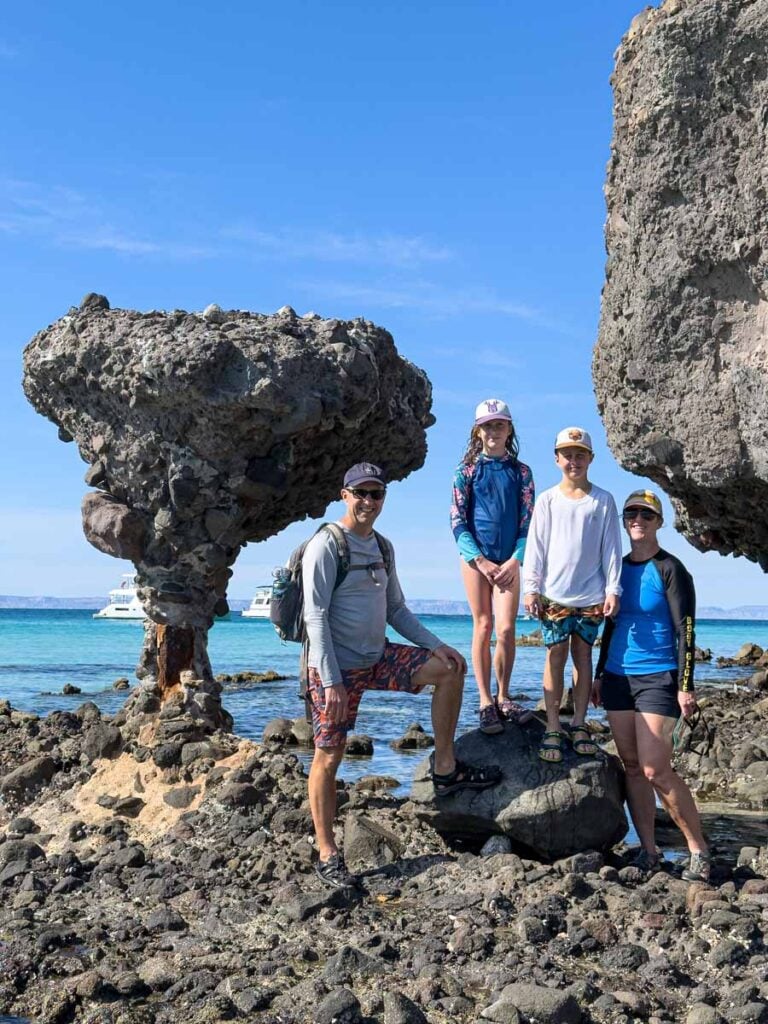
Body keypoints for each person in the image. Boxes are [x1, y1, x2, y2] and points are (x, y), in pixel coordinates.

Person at [304, 461, 502, 888]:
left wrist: (435, 645)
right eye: (361, 493)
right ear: (345, 495)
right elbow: (314, 618)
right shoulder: (326, 545)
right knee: (329, 755)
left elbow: (395, 609)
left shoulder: (383, 547)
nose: (369, 502)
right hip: (334, 668)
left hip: (377, 657)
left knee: (449, 671)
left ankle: (445, 767)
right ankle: (326, 851)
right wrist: (332, 681)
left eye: (376, 494)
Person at [593, 489, 710, 881]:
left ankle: (698, 851)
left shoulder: (671, 569)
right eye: (631, 514)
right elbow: (610, 626)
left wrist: (686, 685)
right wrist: (597, 675)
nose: (637, 519)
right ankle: (649, 851)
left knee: (655, 768)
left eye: (646, 514)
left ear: (659, 522)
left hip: (660, 677)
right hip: (616, 676)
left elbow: (686, 630)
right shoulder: (616, 569)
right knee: (630, 767)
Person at [522, 427, 622, 763]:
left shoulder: (603, 500)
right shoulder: (548, 500)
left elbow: (611, 548)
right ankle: (553, 725)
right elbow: (535, 548)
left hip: (591, 596)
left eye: (580, 455)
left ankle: (579, 723)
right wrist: (531, 588)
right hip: (554, 596)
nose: (573, 461)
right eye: (567, 455)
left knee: (583, 658)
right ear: (557, 459)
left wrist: (613, 589)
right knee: (554, 658)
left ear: (590, 459)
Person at [450, 398, 535, 733]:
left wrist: (516, 560)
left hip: (510, 560)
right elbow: (457, 520)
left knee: (506, 629)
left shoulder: (522, 472)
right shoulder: (466, 472)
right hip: (475, 559)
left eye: (499, 424)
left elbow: (529, 522)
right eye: (488, 425)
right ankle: (485, 701)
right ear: (478, 431)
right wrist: (481, 560)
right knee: (483, 625)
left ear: (509, 429)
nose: (494, 431)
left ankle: (504, 697)